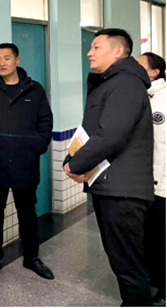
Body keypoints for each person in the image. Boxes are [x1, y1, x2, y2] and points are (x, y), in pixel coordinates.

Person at [64, 28, 154, 307]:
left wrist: (75, 164)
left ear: (118, 51)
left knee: (128, 266)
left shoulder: (125, 83)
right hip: (113, 186)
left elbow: (111, 134)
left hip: (123, 190)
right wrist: (73, 159)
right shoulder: (112, 82)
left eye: (96, 47)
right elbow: (95, 131)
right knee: (123, 262)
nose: (89, 53)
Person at [0, 43, 54, 280]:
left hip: (25, 163)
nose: (2, 63)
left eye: (7, 58)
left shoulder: (34, 89)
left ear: (17, 60)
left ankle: (31, 256)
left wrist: (37, 146)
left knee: (27, 212)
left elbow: (45, 121)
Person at [137, 52, 166, 306]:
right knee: (145, 237)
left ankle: (162, 287)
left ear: (154, 72)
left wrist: (157, 181)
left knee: (159, 238)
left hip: (160, 184)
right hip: (141, 182)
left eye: (139, 65)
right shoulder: (139, 95)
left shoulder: (163, 100)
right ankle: (149, 282)